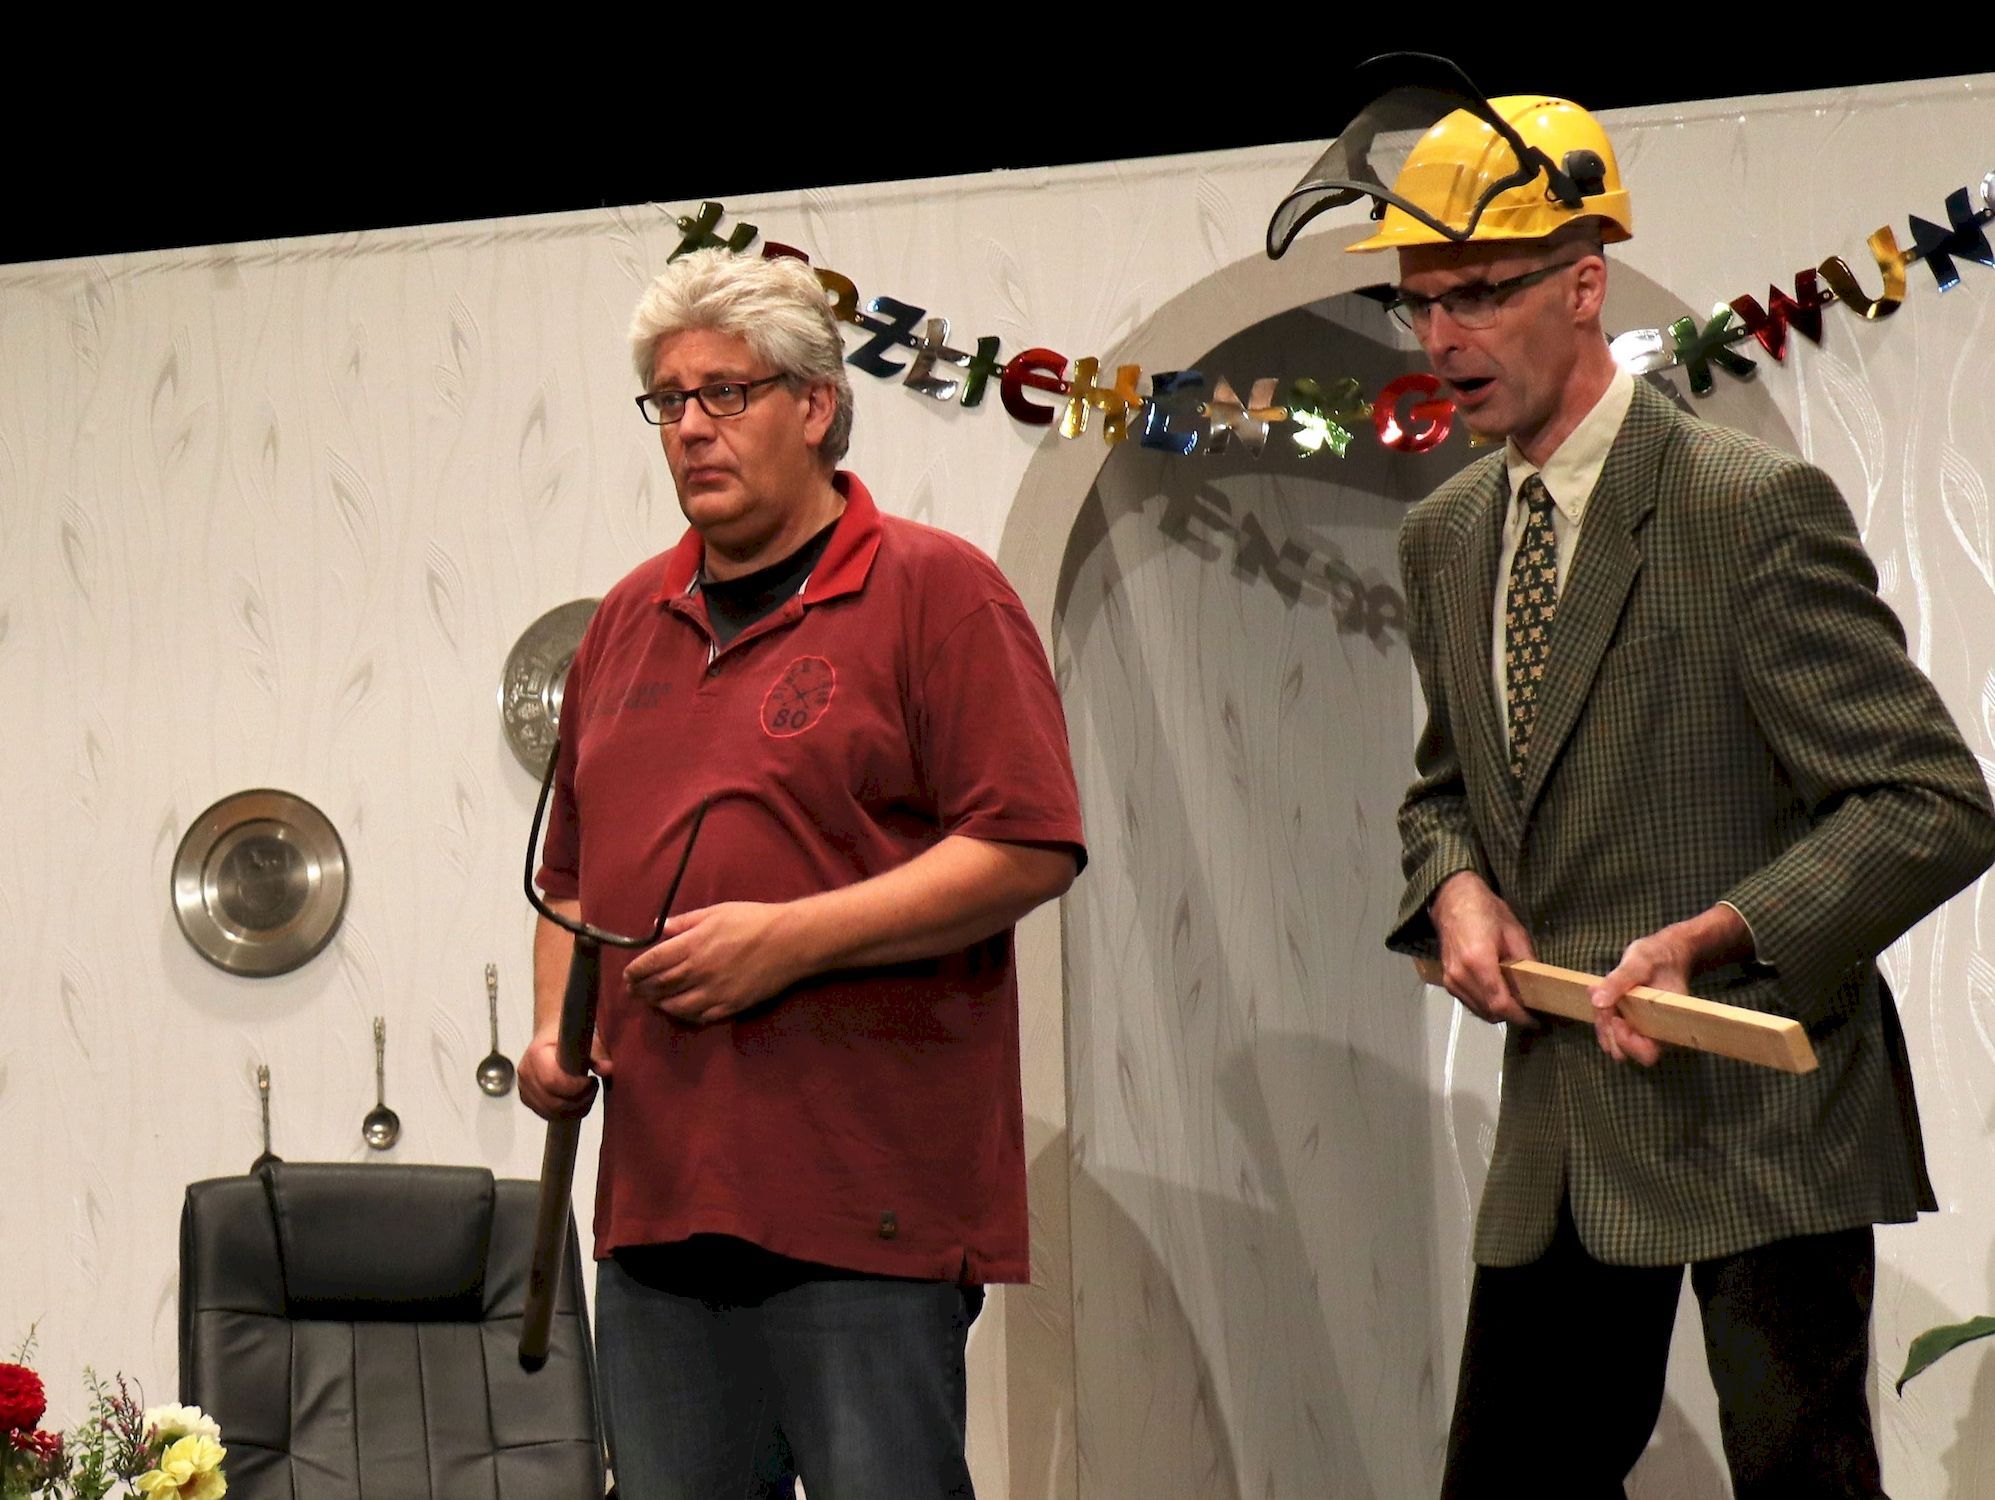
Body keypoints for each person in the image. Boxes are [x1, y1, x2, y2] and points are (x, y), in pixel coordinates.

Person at [1274, 82, 1995, 1496]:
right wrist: (1455, 889)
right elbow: (1447, 794)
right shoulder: (1446, 537)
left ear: (1582, 284)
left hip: (1757, 1107)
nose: (1442, 336)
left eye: (1479, 294)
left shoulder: (1741, 506)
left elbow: (1927, 802)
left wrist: (1717, 934)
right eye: (1419, 303)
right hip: (1563, 1129)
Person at [517, 247, 1085, 1499]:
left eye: (726, 393)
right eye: (670, 400)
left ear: (817, 405)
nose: (690, 429)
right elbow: (570, 881)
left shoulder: (937, 591)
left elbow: (1029, 841)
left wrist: (787, 941)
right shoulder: (624, 622)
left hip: (864, 1210)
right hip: (658, 1214)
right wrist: (558, 1032)